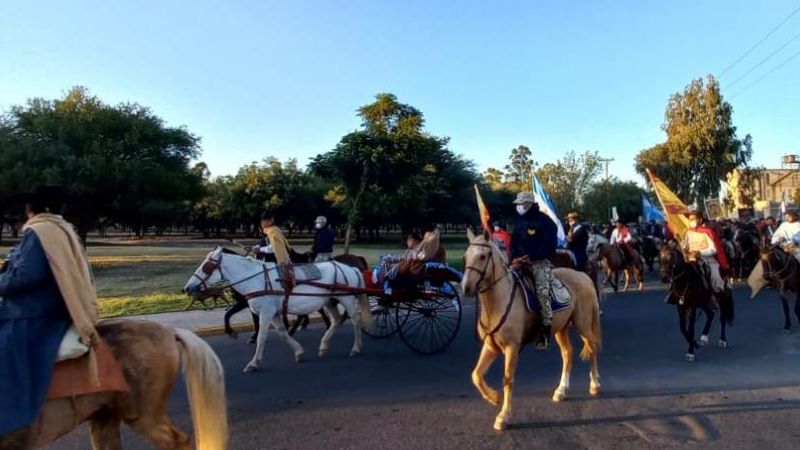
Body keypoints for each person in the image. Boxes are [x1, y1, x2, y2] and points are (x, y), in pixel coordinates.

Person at [1, 186, 99, 442]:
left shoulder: (39, 230)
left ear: (31, 209)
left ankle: (11, 425)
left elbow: (28, 274)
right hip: (53, 309)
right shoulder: (62, 229)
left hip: (32, 314)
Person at [510, 192, 557, 350]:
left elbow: (550, 245)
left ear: (529, 203)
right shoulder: (519, 222)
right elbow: (513, 242)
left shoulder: (546, 222)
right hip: (519, 263)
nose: (519, 207)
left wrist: (532, 257)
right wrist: (514, 258)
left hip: (539, 262)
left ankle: (545, 328)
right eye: (518, 204)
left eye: (521, 204)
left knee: (542, 291)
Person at [683, 211, 729, 294]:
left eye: (693, 219)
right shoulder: (687, 232)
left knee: (716, 278)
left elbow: (713, 249)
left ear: (699, 220)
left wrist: (699, 253)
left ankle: (719, 294)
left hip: (707, 259)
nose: (691, 221)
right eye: (690, 219)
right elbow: (685, 247)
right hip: (690, 260)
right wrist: (683, 248)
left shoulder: (707, 231)